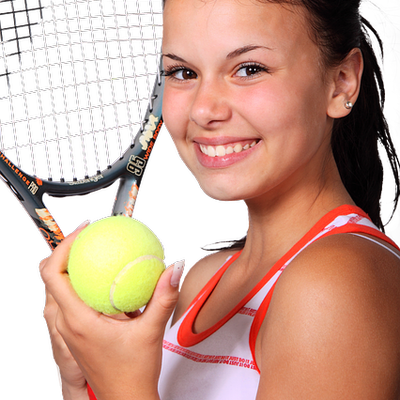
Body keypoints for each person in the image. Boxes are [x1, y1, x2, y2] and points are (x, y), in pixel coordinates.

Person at [39, 0, 400, 399]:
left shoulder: (334, 286)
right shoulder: (202, 281)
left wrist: (123, 386)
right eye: (183, 72)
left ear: (342, 81)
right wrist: (79, 383)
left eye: (248, 69)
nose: (203, 109)